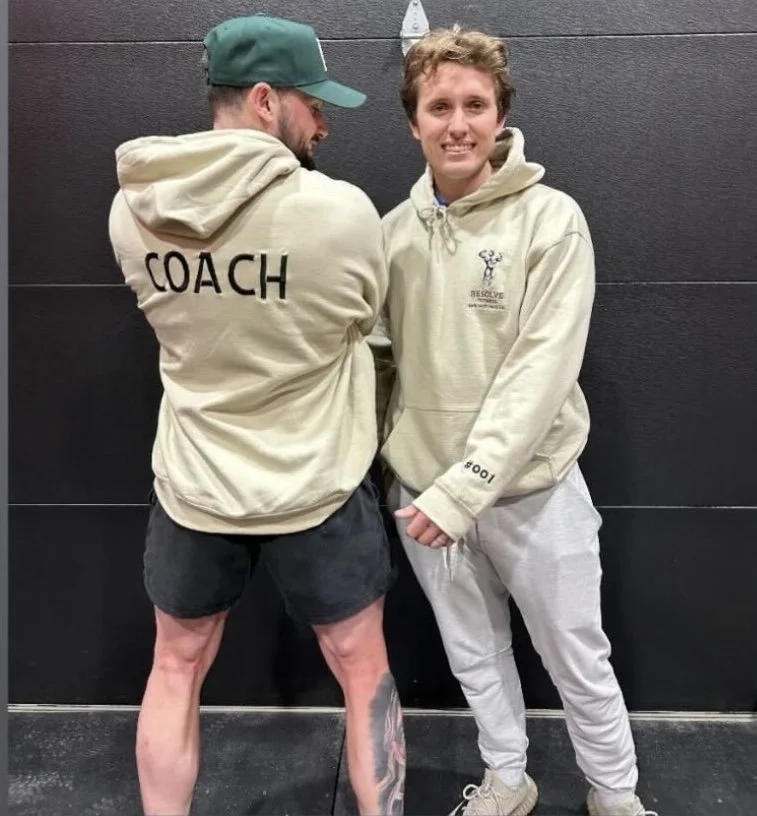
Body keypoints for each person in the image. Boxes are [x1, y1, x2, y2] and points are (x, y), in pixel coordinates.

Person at [108, 14, 405, 816]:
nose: (325, 120)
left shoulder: (132, 210)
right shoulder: (341, 213)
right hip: (316, 482)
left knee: (176, 666)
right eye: (313, 103)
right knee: (364, 670)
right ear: (267, 100)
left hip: (195, 482)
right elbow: (361, 325)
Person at [371, 24, 656, 816]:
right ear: (413, 121)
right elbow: (380, 361)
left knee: (575, 657)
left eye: (474, 104)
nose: (456, 123)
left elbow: (540, 371)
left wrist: (467, 485)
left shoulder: (550, 220)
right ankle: (506, 778)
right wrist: (391, 465)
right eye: (439, 106)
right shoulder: (391, 235)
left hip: (531, 492)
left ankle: (615, 794)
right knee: (473, 656)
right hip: (426, 501)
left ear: (499, 117)